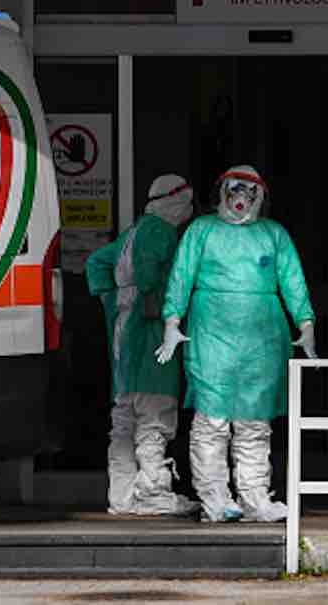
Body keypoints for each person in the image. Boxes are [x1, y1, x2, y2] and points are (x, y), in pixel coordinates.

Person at [155, 166, 317, 523]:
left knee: (253, 422)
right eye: (235, 189)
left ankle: (255, 497)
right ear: (222, 191)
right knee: (212, 419)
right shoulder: (202, 231)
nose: (241, 197)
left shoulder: (273, 235)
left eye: (250, 191)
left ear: (261, 196)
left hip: (263, 338)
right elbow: (181, 275)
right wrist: (172, 319)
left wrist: (305, 322)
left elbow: (292, 279)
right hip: (211, 330)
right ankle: (215, 498)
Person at [85, 174, 199, 517]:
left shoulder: (131, 233)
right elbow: (152, 278)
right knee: (154, 414)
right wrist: (163, 306)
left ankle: (121, 495)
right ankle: (152, 492)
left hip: (124, 338)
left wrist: (113, 298)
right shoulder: (160, 231)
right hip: (150, 336)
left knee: (124, 419)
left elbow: (96, 263)